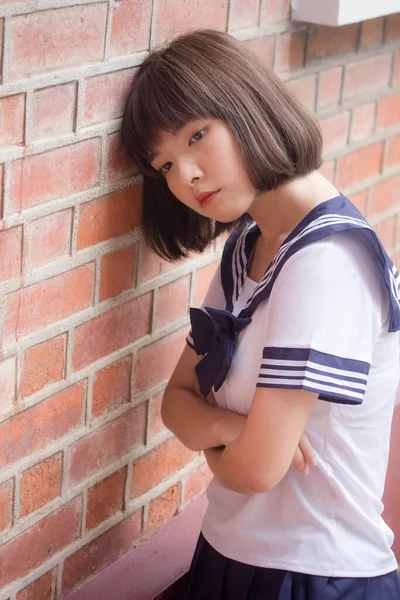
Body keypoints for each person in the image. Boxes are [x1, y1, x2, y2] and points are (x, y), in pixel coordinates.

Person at [121, 29, 400, 600]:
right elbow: (175, 402)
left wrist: (223, 436)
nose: (186, 176)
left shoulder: (328, 263)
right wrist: (230, 429)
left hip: (312, 575)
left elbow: (256, 471)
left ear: (246, 106)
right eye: (166, 163)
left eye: (198, 135)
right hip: (227, 555)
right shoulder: (249, 246)